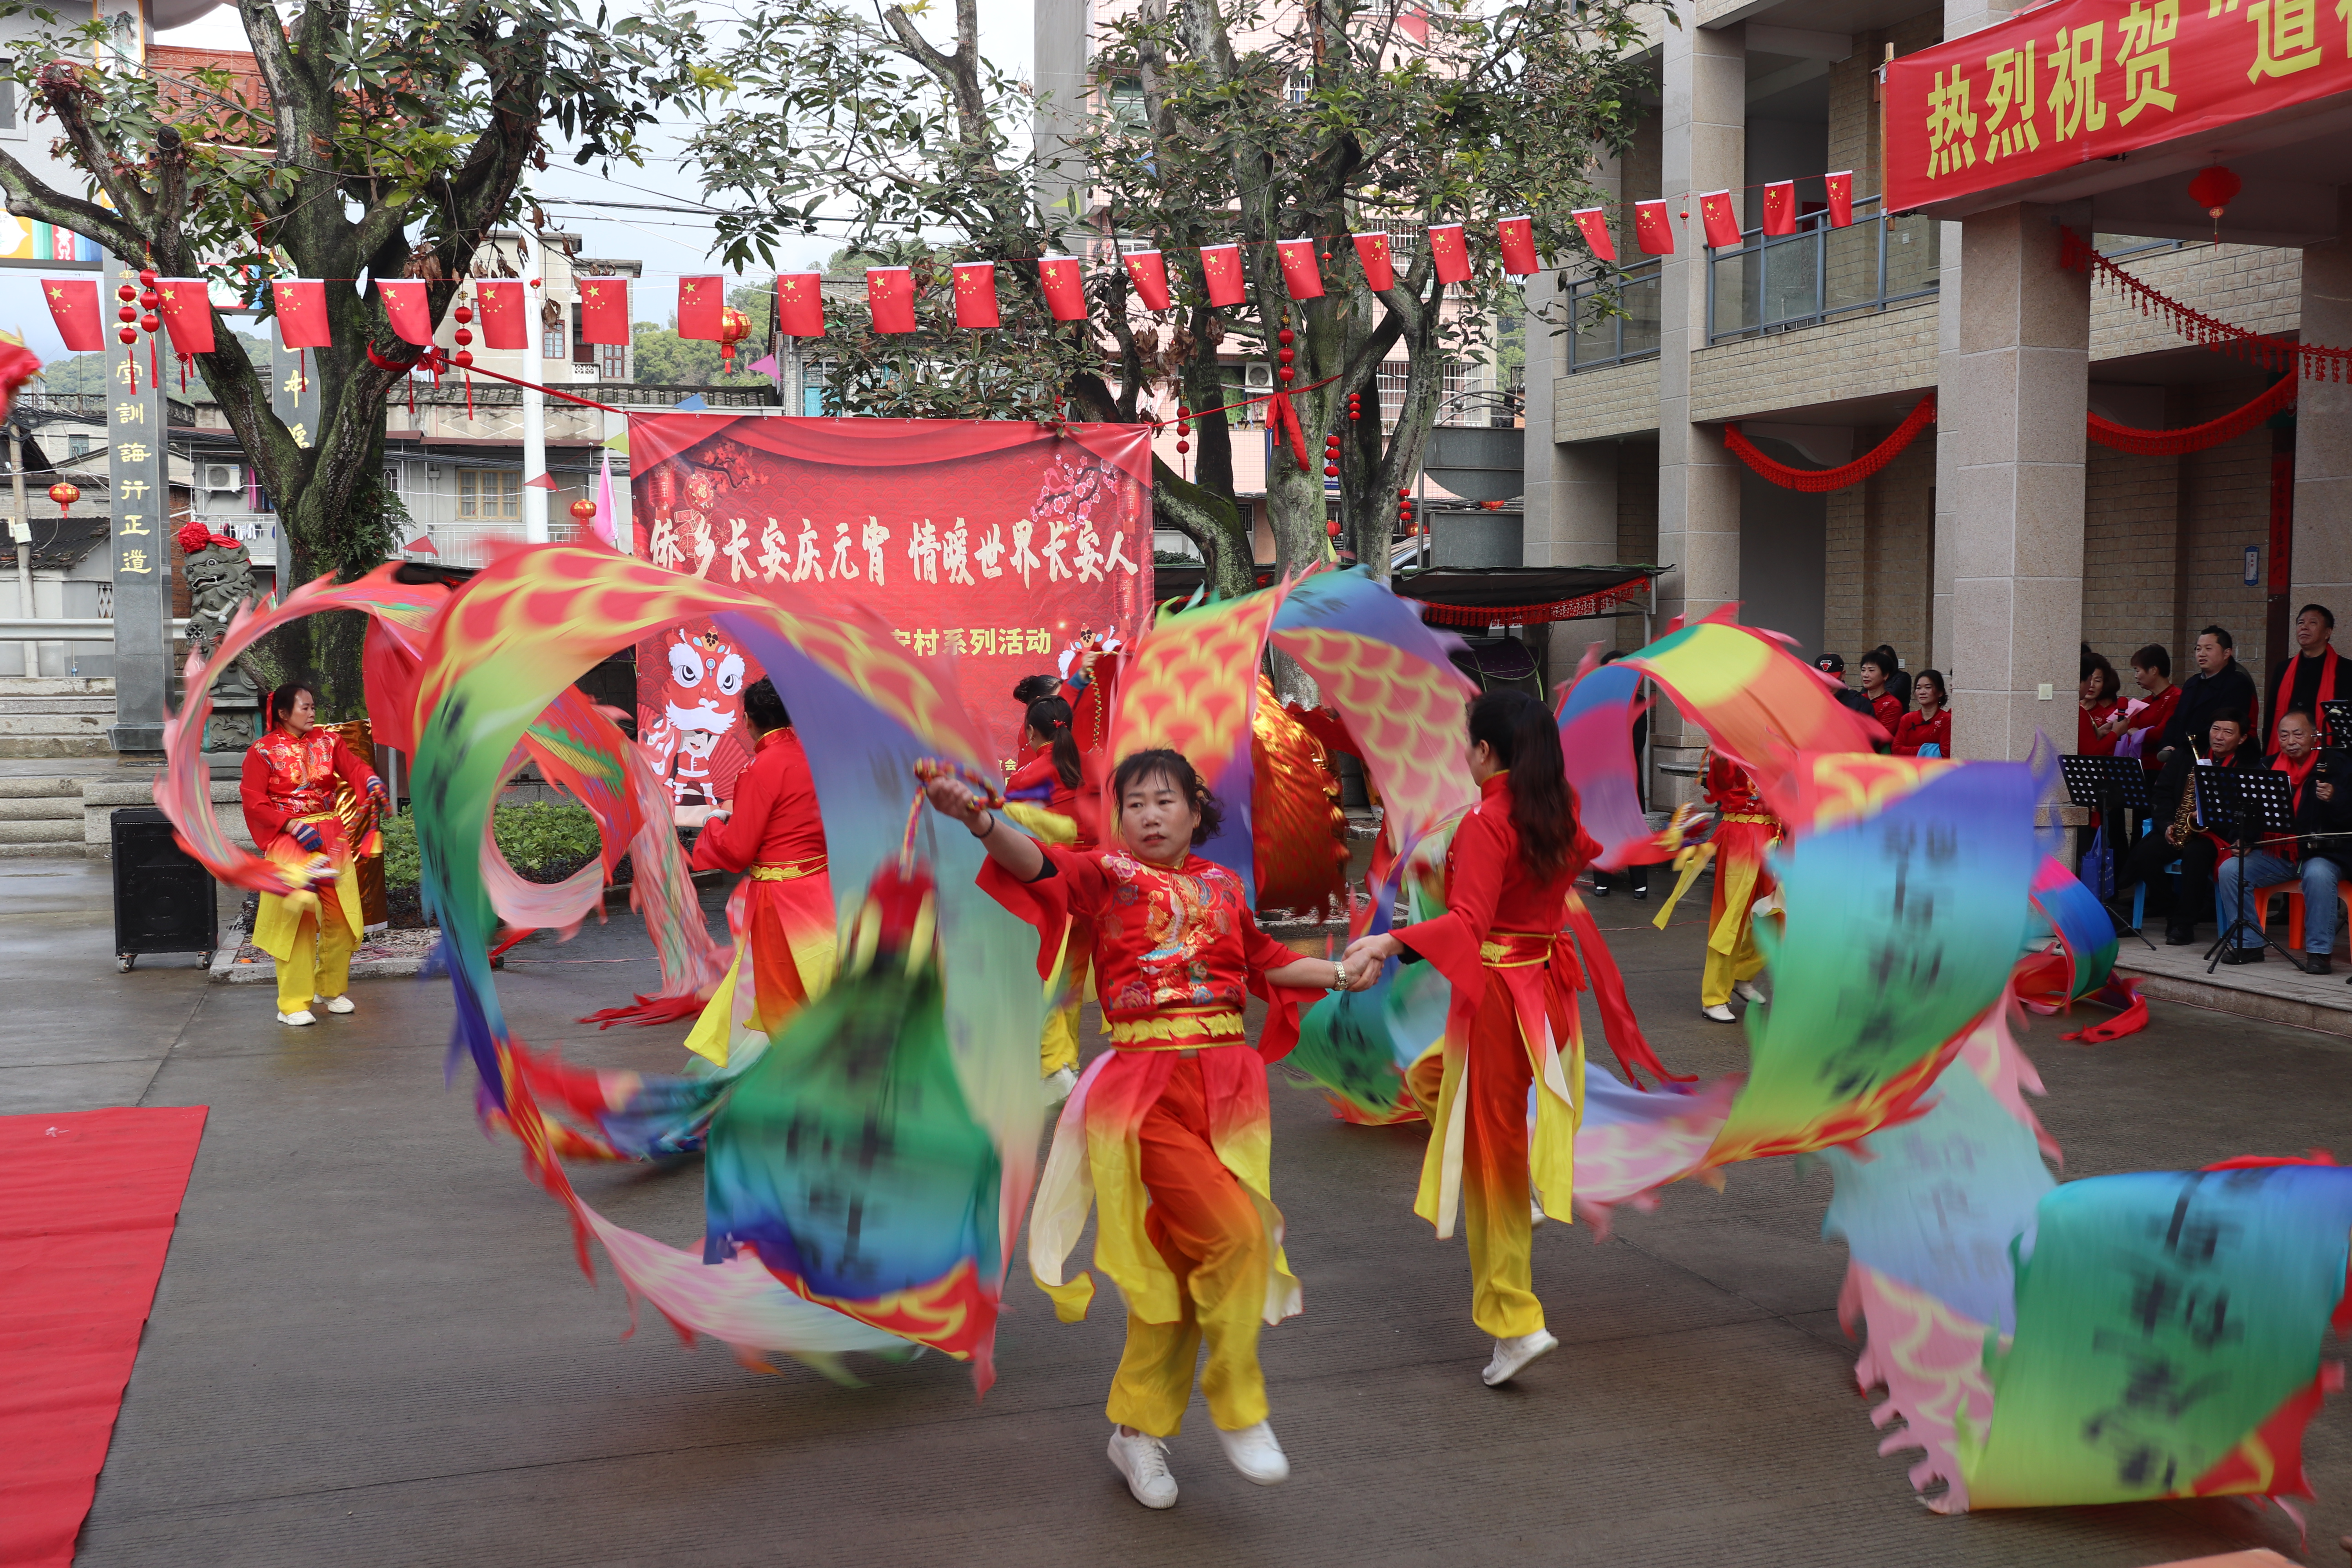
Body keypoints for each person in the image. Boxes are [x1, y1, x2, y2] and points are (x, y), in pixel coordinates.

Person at [923, 748, 1339, 1510]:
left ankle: (1136, 1431)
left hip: (1227, 1092)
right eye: (1135, 803)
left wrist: (1345, 971)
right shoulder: (1105, 876)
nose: (1149, 815)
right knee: (1240, 1235)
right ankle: (1238, 1398)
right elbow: (1037, 864)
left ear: (1195, 809)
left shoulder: (1223, 884)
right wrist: (983, 820)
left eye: (1164, 800)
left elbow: (1266, 961)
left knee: (1177, 1276)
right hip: (1145, 1092)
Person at [1340, 690, 1598, 1390]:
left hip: (1499, 998)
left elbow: (1468, 923)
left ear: (1485, 751)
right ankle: (1528, 1193)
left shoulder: (1490, 820)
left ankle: (1515, 1320)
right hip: (1545, 991)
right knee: (1433, 1084)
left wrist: (1390, 940)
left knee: (1488, 1158)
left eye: (1468, 744)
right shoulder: (1557, 806)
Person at [674, 678, 834, 1066]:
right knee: (825, 988)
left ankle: (805, 1085)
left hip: (779, 903)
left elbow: (737, 851)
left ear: (748, 721)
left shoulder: (759, 769)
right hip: (823, 889)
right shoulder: (817, 757)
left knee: (783, 1001)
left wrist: (713, 823)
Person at [240, 679, 386, 1027]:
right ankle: (292, 1003)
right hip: (291, 841)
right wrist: (290, 825)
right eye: (304, 707)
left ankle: (330, 989)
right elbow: (254, 801)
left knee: (342, 921)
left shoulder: (329, 741)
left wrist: (370, 782)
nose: (312, 712)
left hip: (330, 837)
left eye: (313, 706)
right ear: (283, 713)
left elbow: (354, 768)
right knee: (298, 922)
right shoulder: (261, 751)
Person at [2213, 708, 2352, 971]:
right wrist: (2244, 839)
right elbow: (2248, 812)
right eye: (2285, 735)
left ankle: (2319, 953)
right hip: (2280, 853)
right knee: (2230, 869)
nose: (2291, 742)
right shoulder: (2267, 766)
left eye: (2299, 735)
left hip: (2325, 853)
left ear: (2315, 736)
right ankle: (2250, 944)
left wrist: (2336, 798)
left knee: (2318, 874)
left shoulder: (2338, 765)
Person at [1003, 694, 1093, 1100]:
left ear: (1031, 732)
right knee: (1070, 977)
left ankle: (1054, 1066)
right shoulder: (1094, 767)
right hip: (1092, 883)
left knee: (1045, 976)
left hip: (1052, 883)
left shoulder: (1025, 779)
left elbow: (1011, 828)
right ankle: (1066, 1061)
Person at [2112, 711, 2256, 944]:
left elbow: (2250, 810)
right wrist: (2168, 824)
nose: (2219, 737)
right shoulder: (2185, 757)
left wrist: (2213, 813)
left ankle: (2184, 924)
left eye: (2228, 732)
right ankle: (2171, 908)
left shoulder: (2248, 767)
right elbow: (2162, 793)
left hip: (2214, 836)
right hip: (2179, 828)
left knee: (2196, 855)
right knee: (2144, 854)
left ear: (2241, 739)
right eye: (2215, 729)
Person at [1697, 750, 1779, 1022]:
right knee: (1731, 918)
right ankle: (1715, 996)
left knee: (1779, 916)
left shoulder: (1780, 743)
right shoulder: (1728, 747)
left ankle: (1742, 973)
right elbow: (1717, 783)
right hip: (1742, 834)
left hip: (1774, 837)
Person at [1590, 650, 1649, 899]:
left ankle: (1640, 883)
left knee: (1632, 828)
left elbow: (1638, 743)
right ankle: (1602, 879)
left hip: (1628, 776)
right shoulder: (1594, 700)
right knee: (1602, 827)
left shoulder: (1639, 701)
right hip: (1601, 778)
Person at [2157, 627, 2259, 764]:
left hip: (2216, 759)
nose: (2202, 654)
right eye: (2198, 649)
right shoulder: (2192, 682)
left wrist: (2185, 747)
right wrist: (2168, 744)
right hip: (2181, 755)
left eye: (2208, 649)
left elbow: (2226, 725)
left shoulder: (2238, 684)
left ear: (2226, 653)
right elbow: (2176, 719)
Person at [2265, 604, 2351, 749]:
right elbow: (2271, 716)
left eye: (2313, 623)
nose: (2304, 627)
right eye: (2301, 623)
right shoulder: (2283, 668)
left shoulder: (2346, 670)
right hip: (2287, 749)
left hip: (2330, 754)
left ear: (2327, 633)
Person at [2105, 644, 2180, 767]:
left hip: (2159, 768)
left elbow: (2162, 733)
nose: (2136, 676)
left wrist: (2137, 734)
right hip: (2139, 766)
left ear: (2154, 670)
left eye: (2137, 670)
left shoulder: (2176, 697)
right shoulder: (2145, 702)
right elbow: (2127, 728)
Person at [2078, 648, 2126, 756]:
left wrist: (2098, 734)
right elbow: (2093, 752)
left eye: (2098, 681)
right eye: (2090, 680)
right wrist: (2116, 733)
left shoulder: (2108, 716)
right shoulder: (2079, 712)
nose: (2092, 685)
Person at [1893, 670, 1951, 757]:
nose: (1922, 692)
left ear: (1940, 692)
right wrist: (1929, 750)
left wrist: (1910, 751)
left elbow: (1945, 754)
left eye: (1928, 688)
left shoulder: (1947, 720)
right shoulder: (1907, 719)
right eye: (1919, 688)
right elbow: (1896, 750)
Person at [1857, 648, 1906, 736]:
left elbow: (1881, 736)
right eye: (1863, 670)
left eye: (1871, 670)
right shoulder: (1858, 700)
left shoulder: (1893, 705)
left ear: (1885, 675)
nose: (1865, 675)